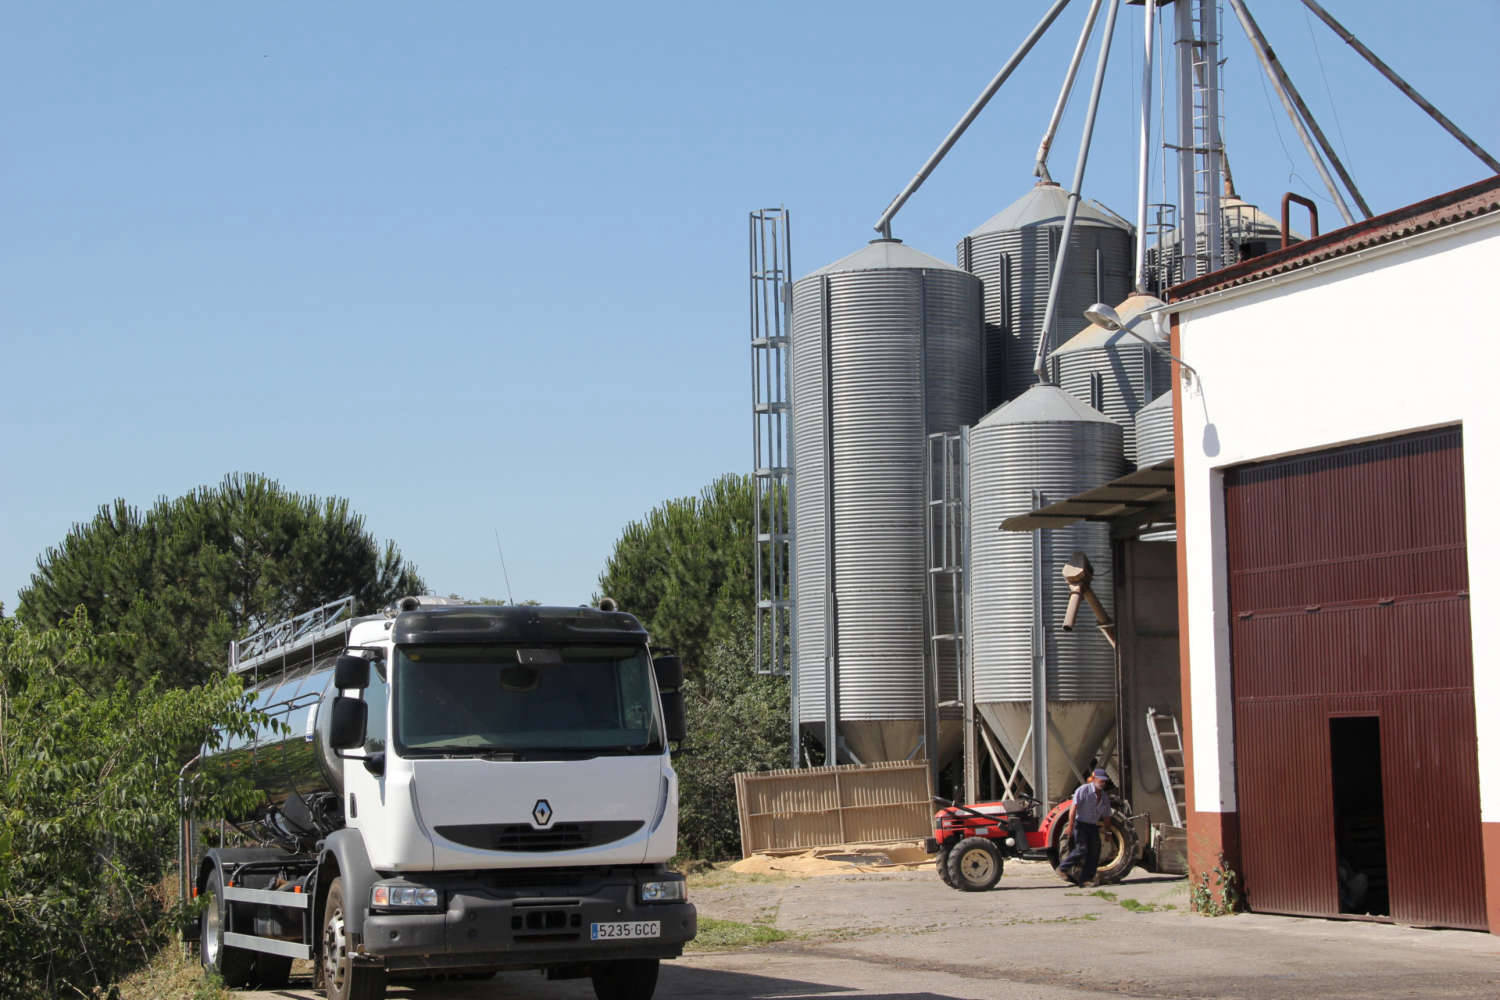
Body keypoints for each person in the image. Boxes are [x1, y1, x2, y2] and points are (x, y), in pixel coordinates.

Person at [1059, 768, 1114, 886]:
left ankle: (1086, 879)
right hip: (1080, 824)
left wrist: (1108, 832)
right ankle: (1062, 868)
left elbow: (1107, 816)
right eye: (1101, 781)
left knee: (1095, 851)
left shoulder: (1104, 797)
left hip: (1093, 826)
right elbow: (1073, 808)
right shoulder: (1083, 790)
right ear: (1094, 779)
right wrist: (1070, 825)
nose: (1103, 783)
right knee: (1081, 849)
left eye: (1104, 781)